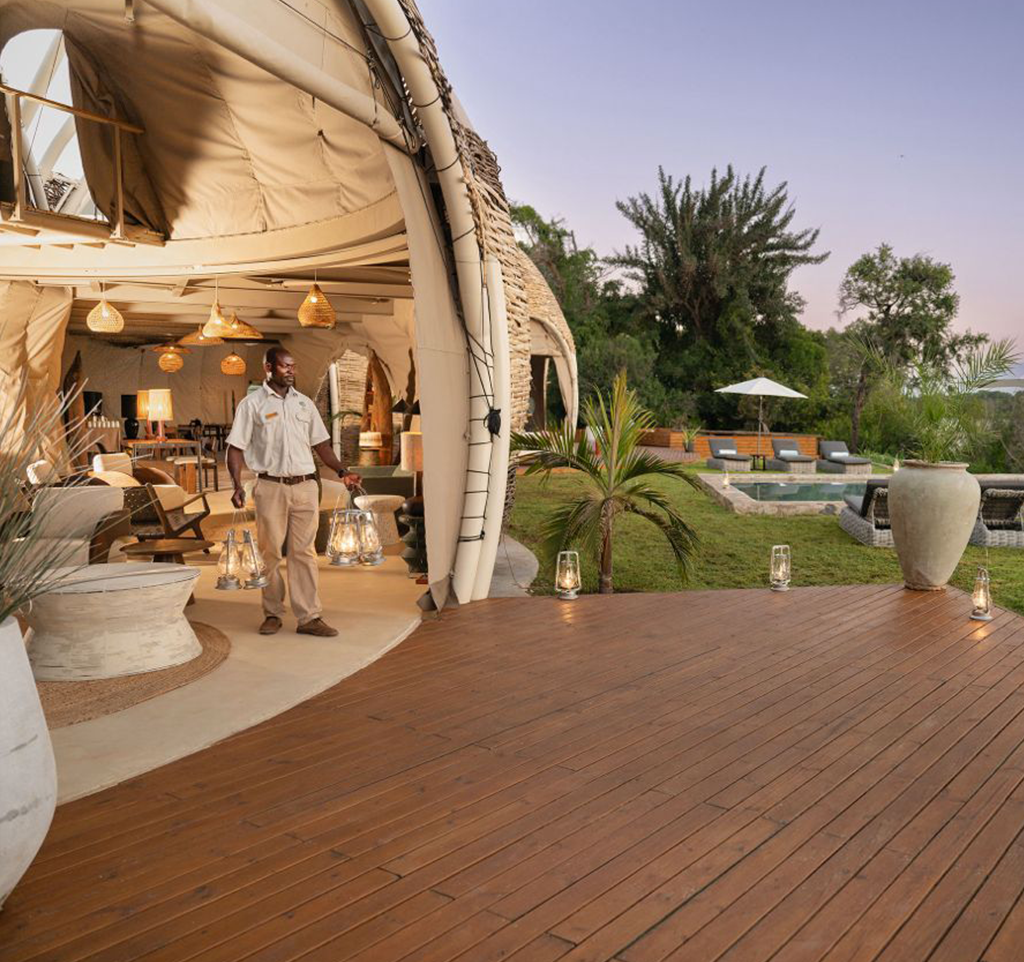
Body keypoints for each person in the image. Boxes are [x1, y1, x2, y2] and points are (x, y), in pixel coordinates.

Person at [226, 346, 361, 636]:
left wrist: (343, 471)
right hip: (270, 487)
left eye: (293, 366)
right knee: (270, 553)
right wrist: (236, 485)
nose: (291, 371)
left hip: (305, 487)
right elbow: (235, 448)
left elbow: (321, 445)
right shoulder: (252, 405)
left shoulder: (304, 404)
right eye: (285, 366)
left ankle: (309, 617)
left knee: (304, 553)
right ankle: (272, 613)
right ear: (268, 368)